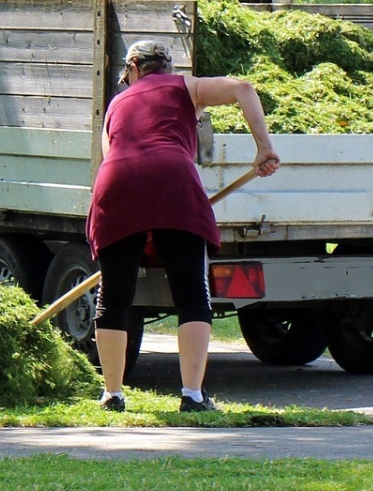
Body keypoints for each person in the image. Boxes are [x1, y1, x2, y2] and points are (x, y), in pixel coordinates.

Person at [86, 40, 280, 413]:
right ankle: (192, 395)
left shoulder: (115, 104)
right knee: (191, 293)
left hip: (116, 182)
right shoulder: (184, 86)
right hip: (173, 178)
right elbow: (243, 88)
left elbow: (112, 154)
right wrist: (263, 147)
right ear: (167, 67)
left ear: (135, 69)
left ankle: (113, 395)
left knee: (114, 297)